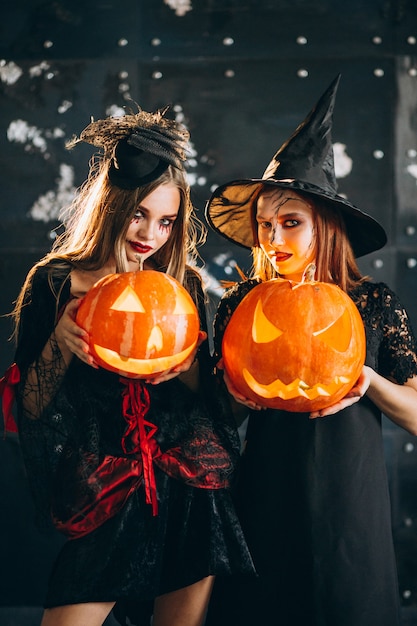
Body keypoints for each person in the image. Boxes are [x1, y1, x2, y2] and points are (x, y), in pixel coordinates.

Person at [0, 106, 254, 626]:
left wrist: (182, 364)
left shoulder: (179, 285)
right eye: (139, 214)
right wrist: (61, 342)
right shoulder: (52, 283)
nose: (151, 234)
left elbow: (207, 394)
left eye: (166, 220)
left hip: (187, 482)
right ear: (111, 205)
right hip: (105, 488)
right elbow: (28, 407)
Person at [204, 75, 417, 626]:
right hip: (264, 493)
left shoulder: (372, 304)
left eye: (291, 223)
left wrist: (367, 380)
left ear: (325, 227)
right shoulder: (242, 304)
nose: (274, 239)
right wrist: (232, 397)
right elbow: (207, 423)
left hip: (351, 501)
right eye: (265, 225)